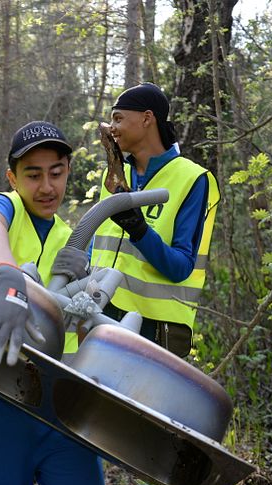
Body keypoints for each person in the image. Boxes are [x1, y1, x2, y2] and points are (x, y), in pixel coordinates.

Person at [0, 121, 104, 485]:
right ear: (13, 179)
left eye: (56, 173)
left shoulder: (72, 240)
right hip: (1, 395)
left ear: (68, 172)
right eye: (33, 175)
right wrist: (9, 275)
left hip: (62, 405)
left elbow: (83, 330)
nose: (47, 187)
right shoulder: (5, 208)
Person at [91, 82, 220, 356]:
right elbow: (95, 246)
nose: (111, 127)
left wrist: (140, 230)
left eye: (118, 118)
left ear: (147, 118)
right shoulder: (113, 177)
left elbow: (181, 267)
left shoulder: (192, 178)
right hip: (98, 317)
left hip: (152, 332)